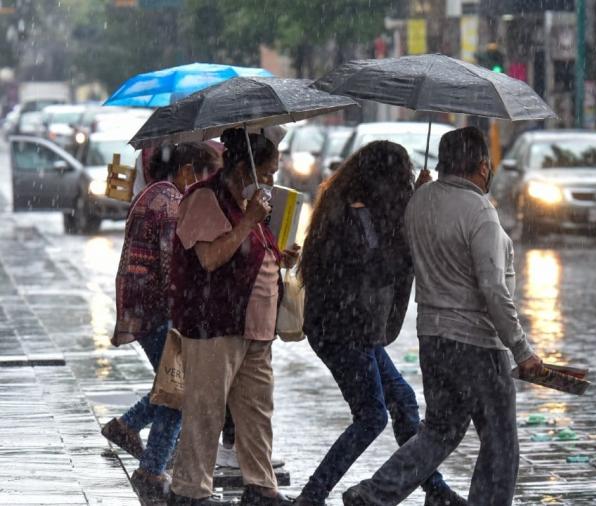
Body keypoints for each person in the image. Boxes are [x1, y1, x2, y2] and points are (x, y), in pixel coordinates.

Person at [343, 127, 544, 506]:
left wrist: (421, 192)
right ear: (483, 166)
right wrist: (521, 349)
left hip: (433, 338)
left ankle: (376, 493)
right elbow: (493, 288)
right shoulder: (481, 212)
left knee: (439, 430)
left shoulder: (419, 202)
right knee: (500, 442)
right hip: (477, 343)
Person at [296, 142, 464, 506]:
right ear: (382, 178)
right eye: (400, 176)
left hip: (359, 331)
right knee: (371, 415)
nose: (403, 183)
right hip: (339, 331)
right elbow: (379, 266)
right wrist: (410, 211)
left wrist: (416, 200)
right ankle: (313, 494)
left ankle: (434, 491)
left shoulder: (369, 210)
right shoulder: (348, 216)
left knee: (402, 402)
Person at [167, 127, 299, 506]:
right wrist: (248, 221)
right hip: (214, 323)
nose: (272, 179)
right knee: (206, 411)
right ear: (245, 167)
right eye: (268, 171)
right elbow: (210, 258)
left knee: (256, 412)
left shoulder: (250, 202)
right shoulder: (205, 199)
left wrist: (277, 255)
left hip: (255, 328)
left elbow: (250, 250)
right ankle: (190, 490)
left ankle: (260, 485)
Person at [102, 142, 222, 500]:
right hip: (158, 311)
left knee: (173, 385)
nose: (200, 183)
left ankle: (128, 428)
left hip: (143, 307)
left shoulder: (151, 193)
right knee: (179, 390)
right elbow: (174, 266)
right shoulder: (170, 203)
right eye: (200, 176)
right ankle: (152, 469)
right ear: (186, 170)